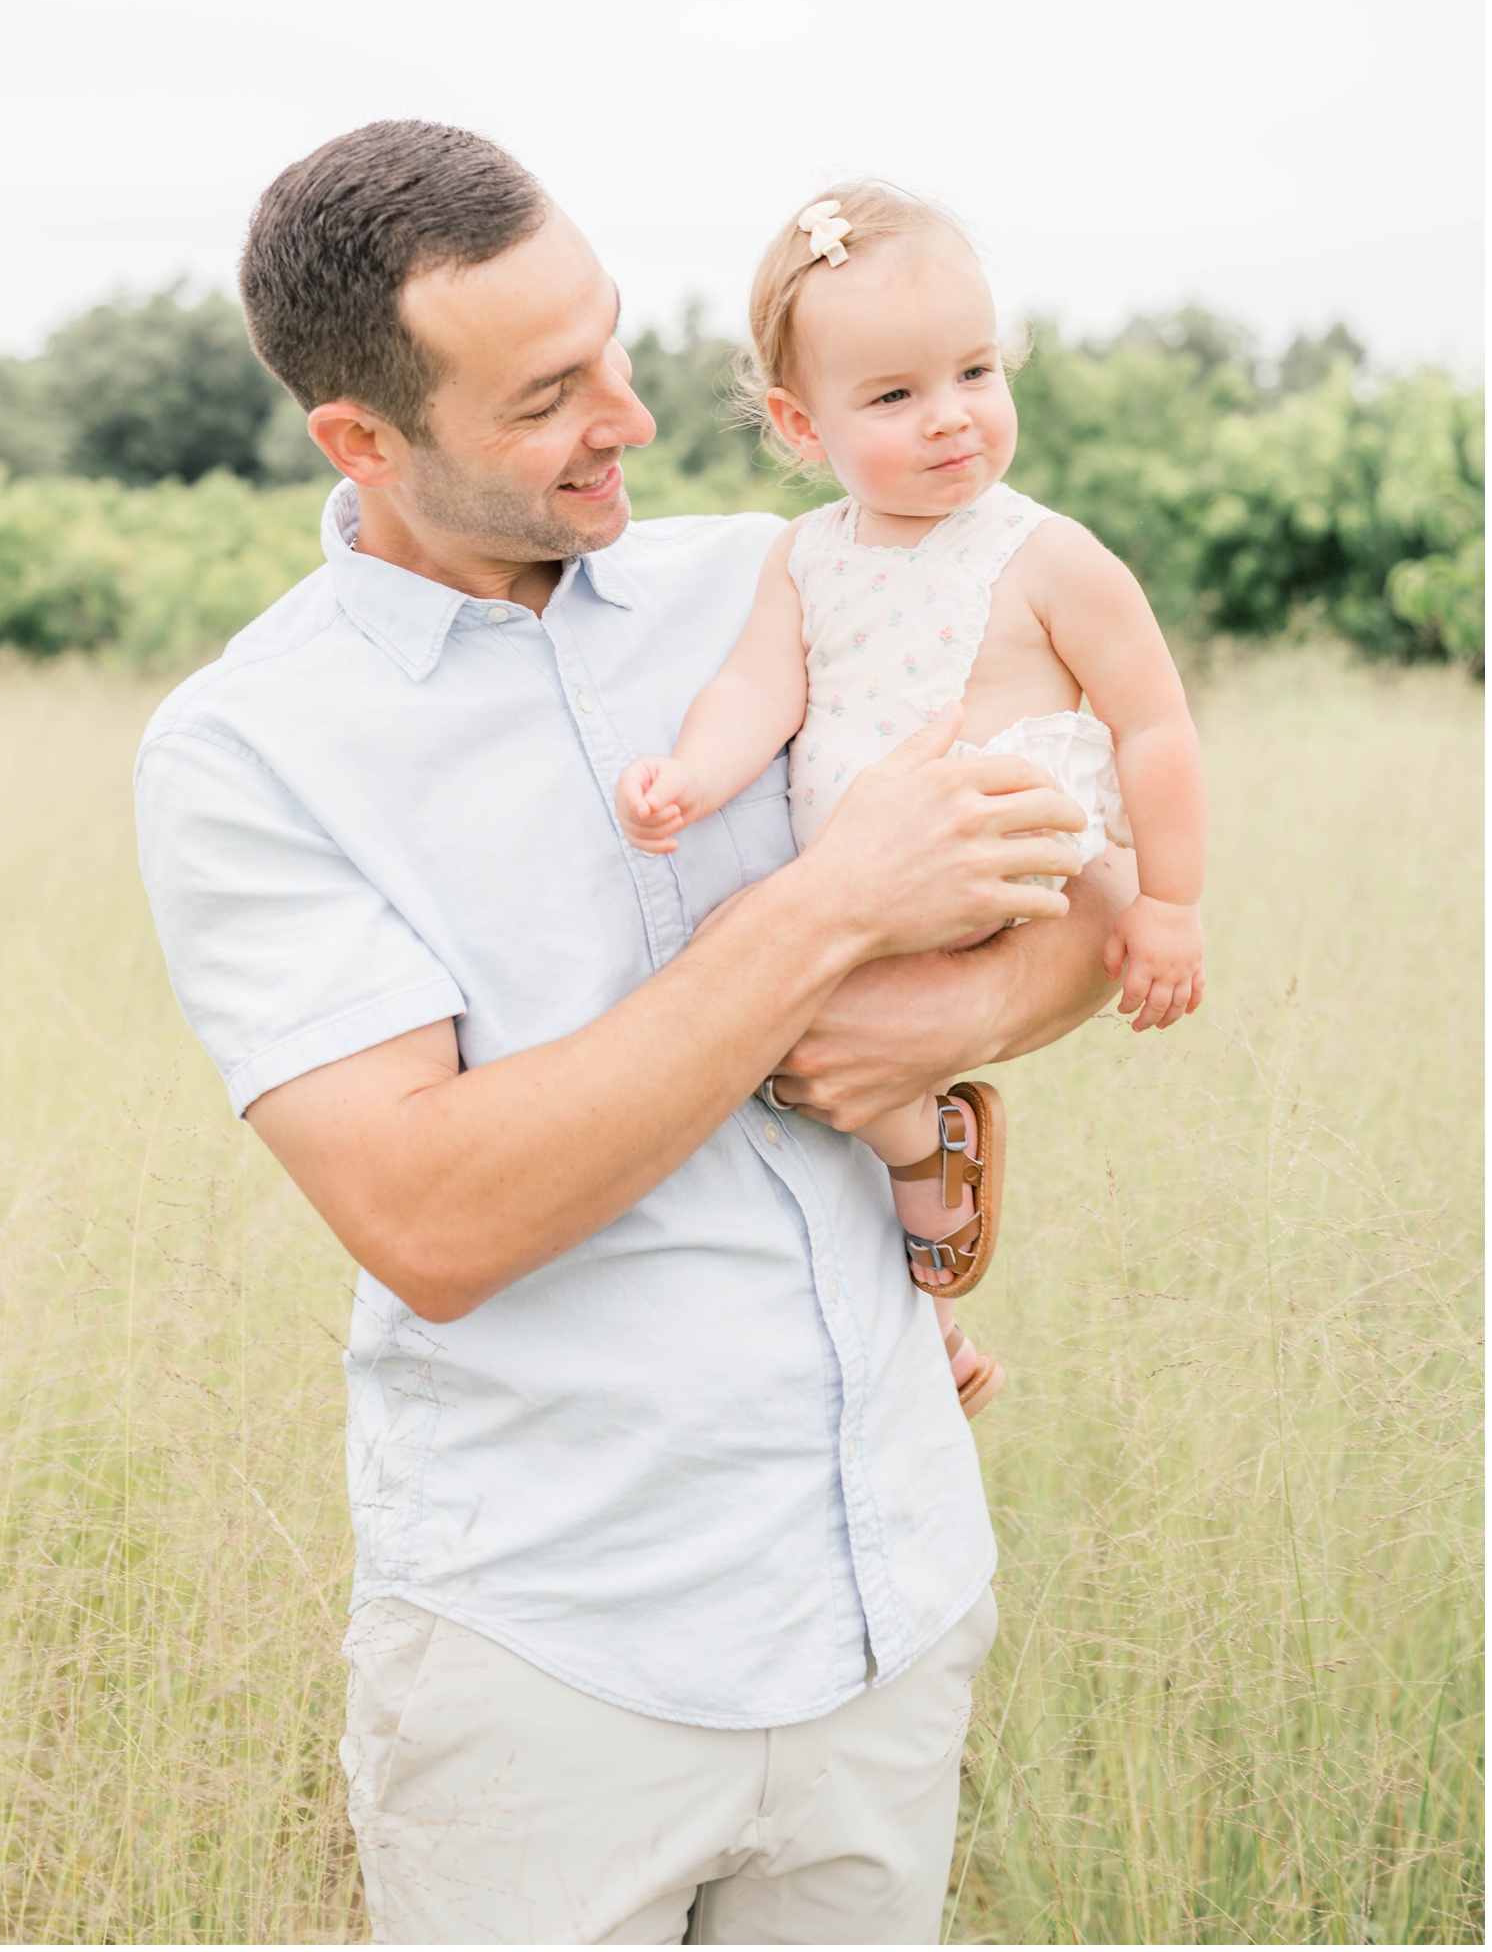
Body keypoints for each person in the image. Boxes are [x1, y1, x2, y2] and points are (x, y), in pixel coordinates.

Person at [134, 120, 1137, 1946]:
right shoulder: (252, 752)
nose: (632, 416)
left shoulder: (784, 571)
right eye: (547, 395)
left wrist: (958, 1022)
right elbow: (433, 1216)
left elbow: (1076, 889)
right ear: (364, 441)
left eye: (612, 340)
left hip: (885, 1599)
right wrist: (827, 914)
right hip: (557, 1660)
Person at [617, 182, 1207, 1415]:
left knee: (833, 1020)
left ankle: (930, 1210)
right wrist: (691, 775)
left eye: (974, 372)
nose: (950, 420)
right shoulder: (805, 553)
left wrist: (1166, 902)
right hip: (867, 880)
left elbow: (1152, 723)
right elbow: (753, 690)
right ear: (799, 420)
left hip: (993, 870)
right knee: (750, 980)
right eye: (892, 395)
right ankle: (930, 1295)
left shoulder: (1048, 555)